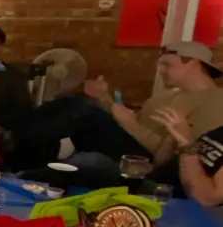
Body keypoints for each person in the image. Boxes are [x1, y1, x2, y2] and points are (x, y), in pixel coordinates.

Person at [75, 41, 223, 172]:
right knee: (77, 106)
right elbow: (131, 124)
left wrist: (133, 126)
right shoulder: (167, 95)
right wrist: (103, 98)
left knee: (82, 113)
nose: (161, 70)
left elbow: (179, 154)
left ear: (194, 64)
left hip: (152, 164)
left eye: (167, 64)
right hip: (130, 147)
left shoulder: (216, 102)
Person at [151, 106, 223, 213]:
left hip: (176, 207)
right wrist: (173, 137)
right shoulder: (219, 131)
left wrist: (187, 144)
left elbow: (207, 199)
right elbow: (160, 163)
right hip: (153, 187)